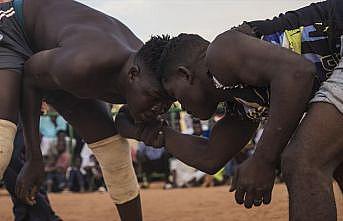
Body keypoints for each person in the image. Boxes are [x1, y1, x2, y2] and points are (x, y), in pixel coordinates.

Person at [115, 1, 343, 220]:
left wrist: (263, 160)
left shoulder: (220, 54)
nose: (180, 105)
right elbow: (210, 156)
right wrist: (148, 133)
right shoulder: (239, 104)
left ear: (185, 74)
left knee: (303, 161)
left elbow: (298, 73)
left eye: (175, 95)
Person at [0, 0, 172, 220]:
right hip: (14, 29)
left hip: (54, 55)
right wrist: (34, 157)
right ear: (133, 76)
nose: (158, 110)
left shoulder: (151, 71)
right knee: (2, 144)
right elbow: (32, 78)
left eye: (165, 105)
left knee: (115, 153)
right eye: (156, 100)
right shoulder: (83, 64)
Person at [3, 123, 61, 221]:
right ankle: (24, 215)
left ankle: (43, 216)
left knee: (13, 161)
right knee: (11, 165)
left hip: (12, 116)